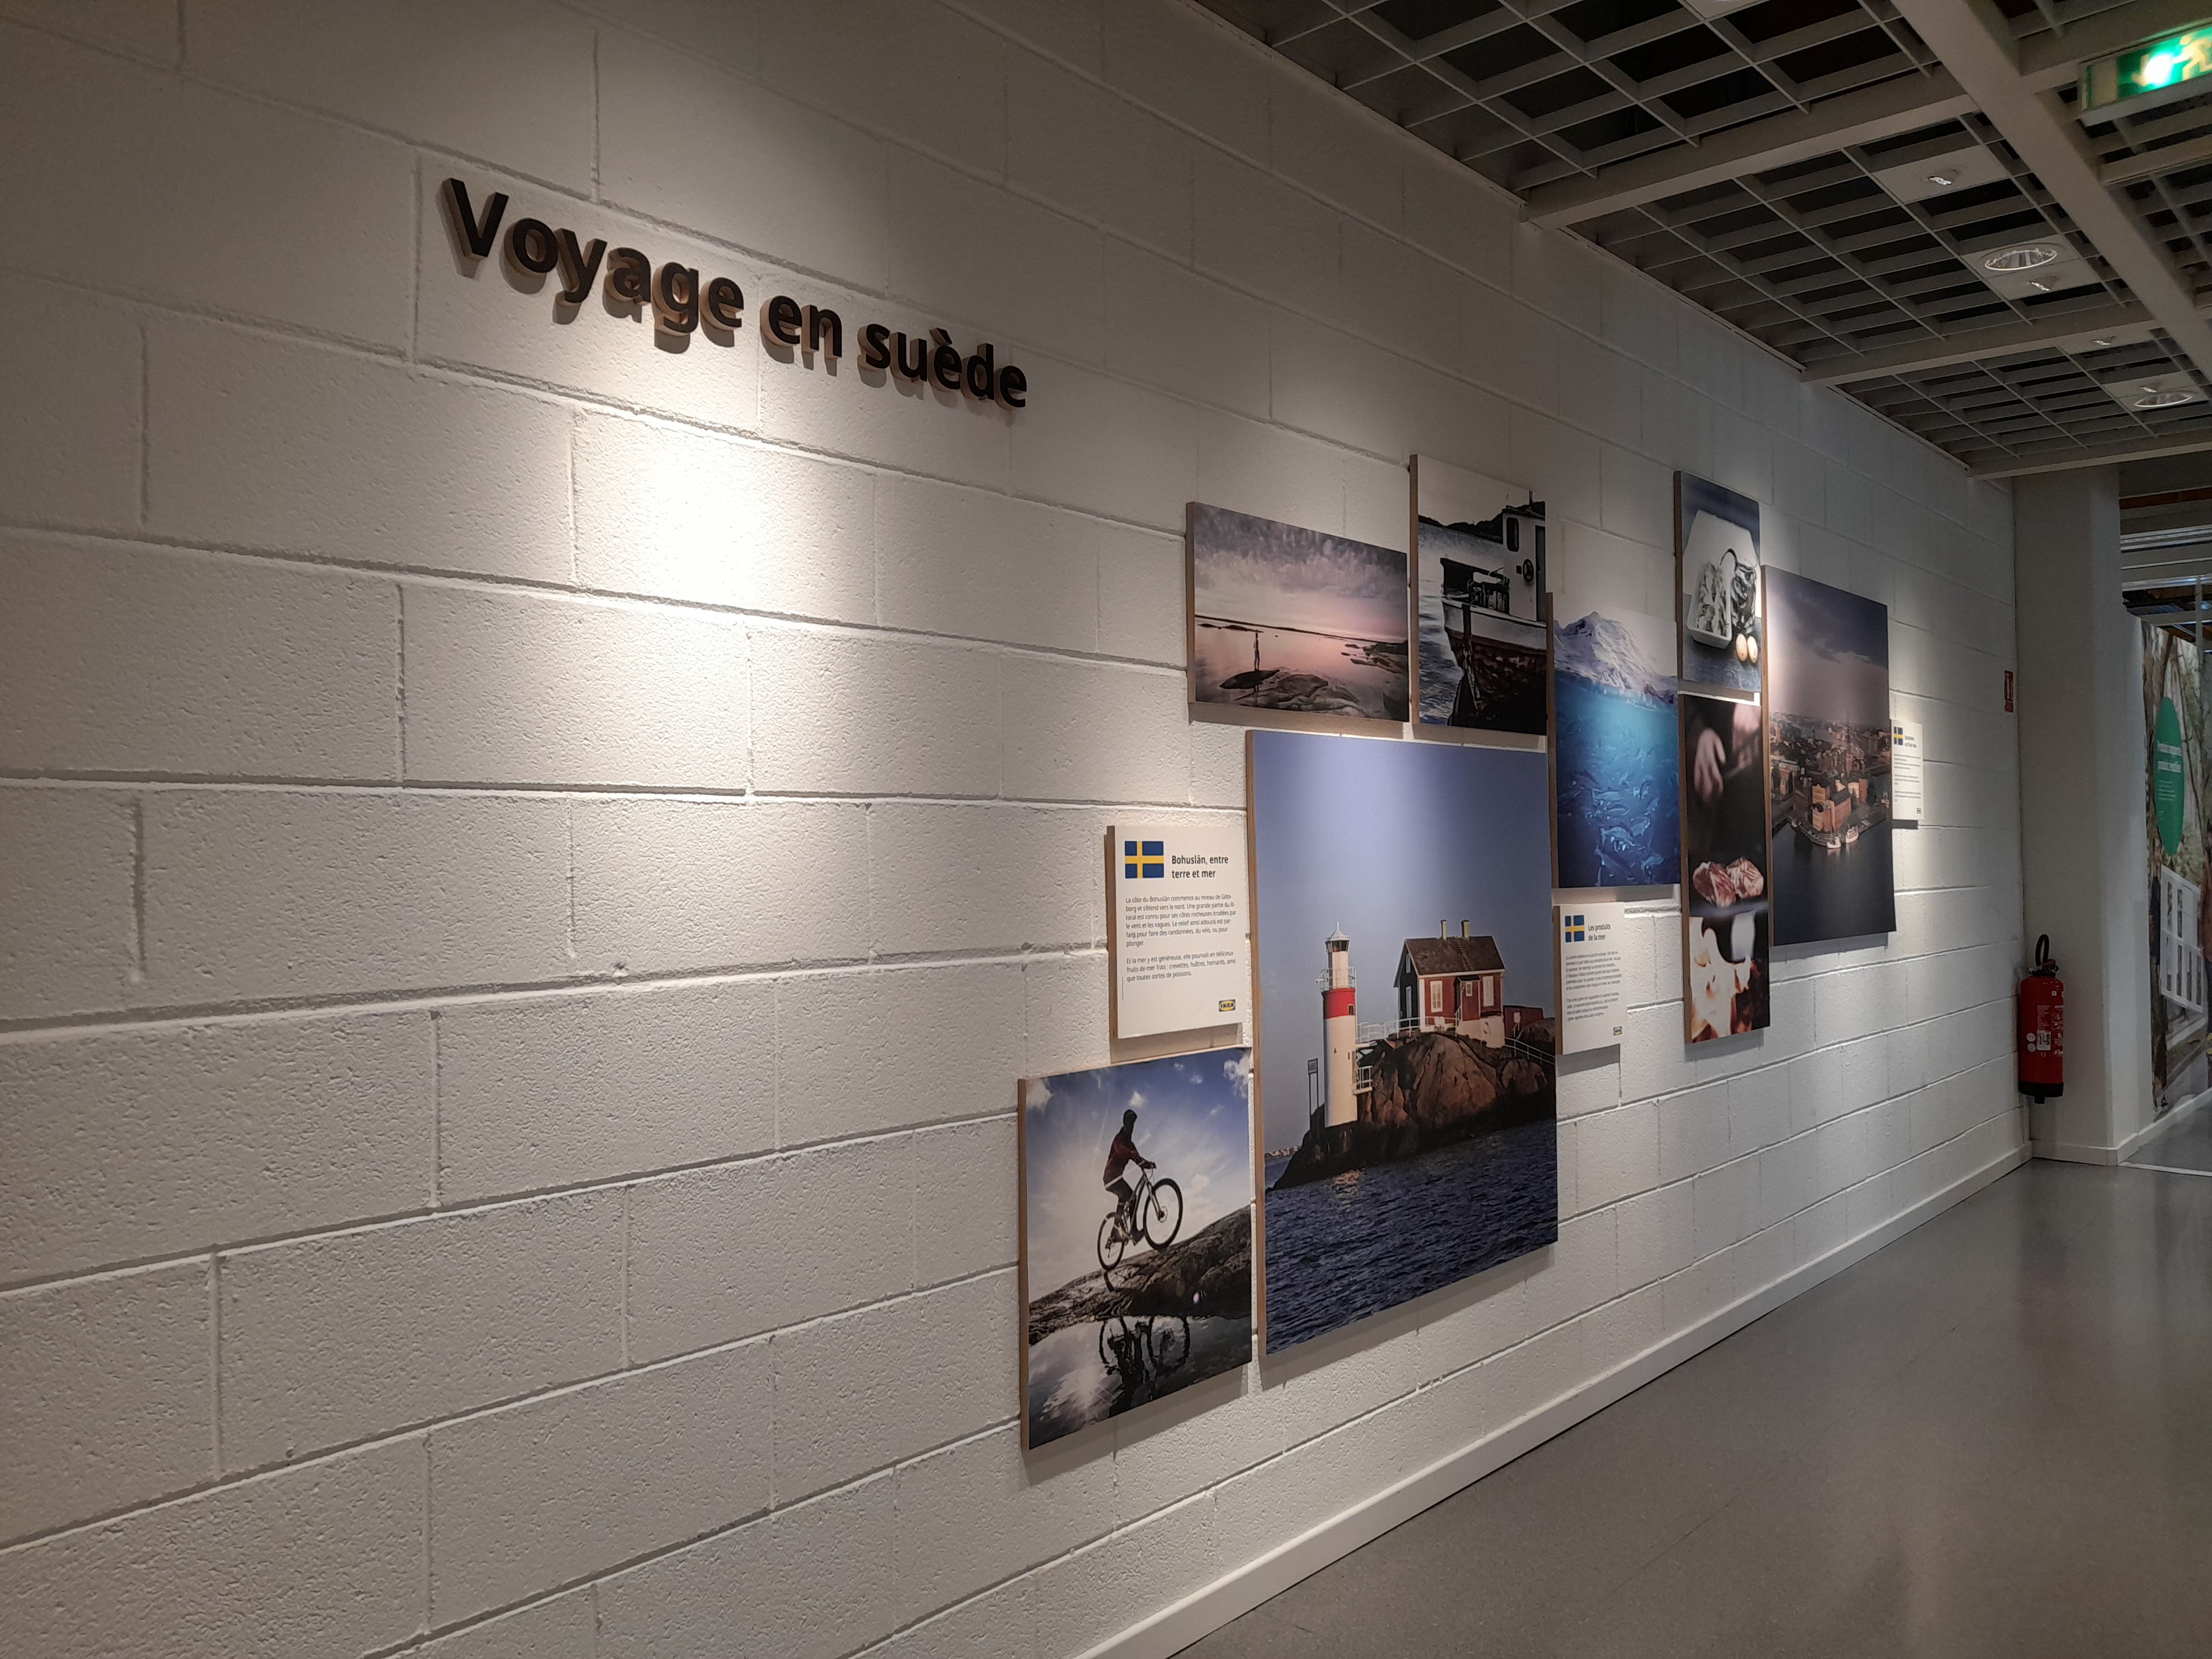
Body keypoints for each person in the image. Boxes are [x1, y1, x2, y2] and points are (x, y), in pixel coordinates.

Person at [1103, 1108, 1155, 1244]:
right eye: (1129, 1123)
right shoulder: (1119, 1139)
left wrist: (1148, 1164)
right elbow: (1120, 1150)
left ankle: (1114, 1234)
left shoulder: (1131, 1145)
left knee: (1124, 1199)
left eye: (1133, 1123)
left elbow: (1138, 1160)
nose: (1131, 1126)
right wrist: (1131, 1153)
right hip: (1110, 1178)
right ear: (1125, 1124)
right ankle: (1134, 1233)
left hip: (1117, 1179)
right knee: (1133, 1197)